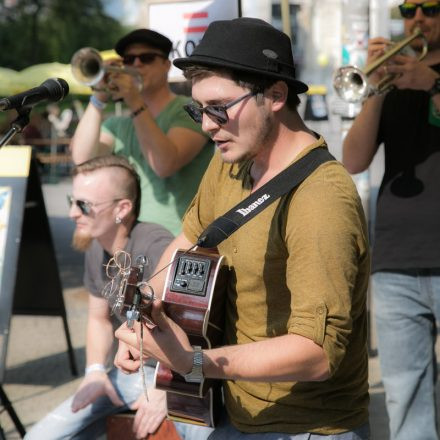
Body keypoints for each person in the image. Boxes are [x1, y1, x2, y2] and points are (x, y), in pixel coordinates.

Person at [114, 17, 371, 439]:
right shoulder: (231, 160)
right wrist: (146, 315)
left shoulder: (321, 197)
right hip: (235, 411)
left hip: (309, 428)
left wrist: (192, 362)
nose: (206, 125)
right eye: (198, 109)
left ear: (274, 95)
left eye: (219, 108)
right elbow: (187, 240)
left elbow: (318, 355)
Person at [342, 2, 440, 439]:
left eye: (431, 9)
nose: (418, 19)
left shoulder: (424, 76)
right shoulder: (395, 77)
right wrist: (374, 89)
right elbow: (353, 160)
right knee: (405, 398)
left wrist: (433, 83)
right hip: (396, 257)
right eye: (409, 10)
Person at [25, 155, 173, 440]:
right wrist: (94, 372)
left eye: (84, 205)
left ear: (122, 208)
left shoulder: (156, 246)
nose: (71, 213)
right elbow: (98, 318)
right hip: (130, 375)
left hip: (180, 377)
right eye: (72, 200)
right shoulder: (97, 246)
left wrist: (170, 386)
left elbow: (196, 327)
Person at [69, 28, 214, 236]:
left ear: (166, 65)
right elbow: (81, 159)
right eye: (128, 59)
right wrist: (99, 96)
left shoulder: (188, 110)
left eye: (146, 58)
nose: (136, 65)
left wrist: (134, 100)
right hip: (135, 240)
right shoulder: (119, 125)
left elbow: (165, 164)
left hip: (182, 238)